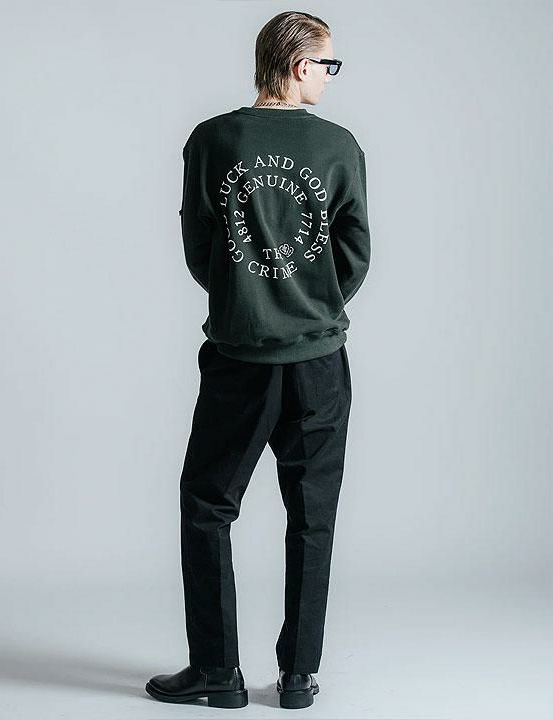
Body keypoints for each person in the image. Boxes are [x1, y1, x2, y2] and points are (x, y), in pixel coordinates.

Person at [145, 10, 371, 711]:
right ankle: (299, 677)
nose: (330, 77)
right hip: (319, 363)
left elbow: (201, 251)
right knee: (313, 515)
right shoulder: (338, 146)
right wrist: (306, 302)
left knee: (207, 506)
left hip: (240, 357)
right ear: (300, 66)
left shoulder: (213, 140)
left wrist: (250, 298)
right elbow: (354, 253)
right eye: (328, 65)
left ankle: (218, 672)